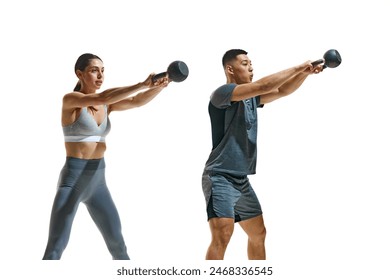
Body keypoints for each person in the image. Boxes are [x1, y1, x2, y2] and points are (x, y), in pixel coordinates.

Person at [43, 53, 169, 260]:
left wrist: (157, 87)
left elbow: (136, 101)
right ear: (79, 74)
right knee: (55, 248)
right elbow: (102, 97)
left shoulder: (106, 106)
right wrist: (143, 83)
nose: (100, 76)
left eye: (103, 71)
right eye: (94, 70)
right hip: (72, 181)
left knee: (118, 246)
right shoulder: (71, 100)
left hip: (98, 183)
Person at [202, 49, 323, 260]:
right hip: (219, 176)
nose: (251, 67)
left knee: (258, 234)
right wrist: (298, 67)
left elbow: (282, 91)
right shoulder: (222, 93)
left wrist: (306, 73)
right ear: (230, 69)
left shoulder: (250, 99)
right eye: (245, 63)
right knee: (223, 234)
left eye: (251, 63)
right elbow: (264, 86)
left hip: (241, 180)